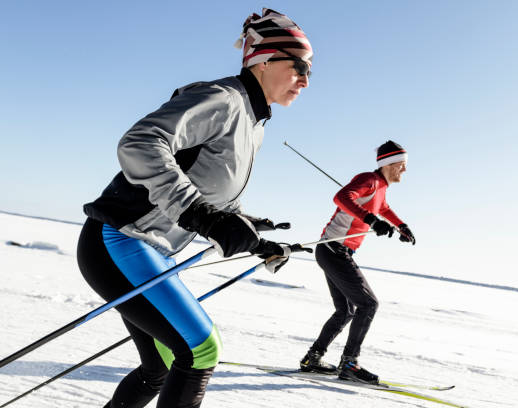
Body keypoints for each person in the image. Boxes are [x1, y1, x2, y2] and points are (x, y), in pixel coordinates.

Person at [76, 8, 313, 408]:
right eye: (300, 66)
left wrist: (254, 239)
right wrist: (201, 216)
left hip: (151, 251)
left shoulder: (252, 123)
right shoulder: (223, 99)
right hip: (121, 241)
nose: (305, 80)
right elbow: (141, 142)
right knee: (202, 349)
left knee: (160, 369)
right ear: (264, 59)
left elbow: (215, 199)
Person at [299, 140, 416, 384]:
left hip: (333, 251)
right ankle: (350, 364)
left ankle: (313, 358)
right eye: (401, 165)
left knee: (346, 310)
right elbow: (342, 196)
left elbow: (383, 208)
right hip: (334, 249)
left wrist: (401, 225)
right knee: (368, 304)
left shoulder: (380, 187)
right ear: (388, 164)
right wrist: (372, 221)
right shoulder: (369, 180)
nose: (405, 170)